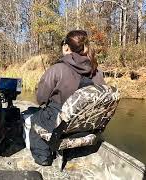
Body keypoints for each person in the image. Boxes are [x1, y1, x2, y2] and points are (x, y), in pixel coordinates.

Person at [29, 30, 106, 165]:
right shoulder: (98, 72)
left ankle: (43, 158)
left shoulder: (57, 69)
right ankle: (75, 153)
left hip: (59, 123)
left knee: (35, 119)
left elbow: (41, 98)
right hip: (85, 125)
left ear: (66, 47)